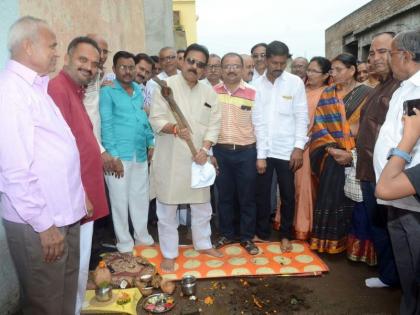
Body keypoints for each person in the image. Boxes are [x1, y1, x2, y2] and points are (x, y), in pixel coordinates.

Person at [0, 16, 87, 315]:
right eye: (51, 46)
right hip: (40, 224)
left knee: (62, 299)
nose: (55, 53)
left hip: (62, 215)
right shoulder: (11, 91)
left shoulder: (36, 87)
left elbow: (53, 152)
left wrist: (78, 197)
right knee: (46, 304)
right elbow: (14, 172)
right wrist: (44, 225)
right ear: (27, 46)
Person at [48, 36, 109, 315]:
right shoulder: (57, 90)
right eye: (83, 60)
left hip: (83, 194)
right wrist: (81, 193)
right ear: (67, 58)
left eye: (94, 63)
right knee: (73, 266)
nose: (89, 67)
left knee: (81, 263)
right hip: (75, 197)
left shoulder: (75, 90)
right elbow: (56, 153)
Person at [149, 43, 222, 272]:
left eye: (200, 65)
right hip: (171, 160)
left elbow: (214, 123)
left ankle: (203, 244)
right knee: (167, 210)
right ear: (182, 61)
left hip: (197, 158)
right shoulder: (165, 87)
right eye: (191, 61)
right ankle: (170, 253)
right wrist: (172, 128)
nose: (195, 67)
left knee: (202, 207)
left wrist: (206, 148)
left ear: (204, 69)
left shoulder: (209, 92)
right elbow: (156, 118)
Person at [373, 30, 420, 315]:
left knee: (417, 265)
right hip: (391, 193)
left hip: (411, 193)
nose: (388, 60)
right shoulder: (402, 87)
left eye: (389, 54)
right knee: (406, 266)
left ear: (405, 55)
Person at [310, 53, 371, 254]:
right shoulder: (328, 93)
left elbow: (369, 128)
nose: (333, 74)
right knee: (328, 198)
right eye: (332, 70)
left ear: (352, 70)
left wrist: (350, 150)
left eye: (338, 70)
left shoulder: (367, 93)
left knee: (354, 203)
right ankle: (328, 244)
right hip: (330, 156)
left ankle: (352, 247)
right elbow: (319, 124)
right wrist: (330, 148)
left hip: (355, 156)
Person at [253, 41, 308, 252]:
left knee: (287, 194)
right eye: (274, 62)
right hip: (263, 150)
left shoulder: (295, 83)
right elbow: (256, 121)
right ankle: (262, 233)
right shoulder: (254, 85)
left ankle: (286, 234)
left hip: (287, 151)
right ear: (266, 59)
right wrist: (260, 153)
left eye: (282, 63)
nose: (278, 66)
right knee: (262, 194)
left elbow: (302, 116)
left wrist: (298, 147)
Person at [356, 32, 400, 288]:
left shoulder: (404, 86)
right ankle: (389, 276)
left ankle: (399, 281)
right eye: (372, 53)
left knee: (395, 229)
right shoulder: (380, 86)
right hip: (369, 170)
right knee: (380, 226)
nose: (375, 58)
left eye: (382, 51)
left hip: (388, 173)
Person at [100, 51, 155, 253]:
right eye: (122, 67)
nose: (127, 70)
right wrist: (113, 156)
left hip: (139, 152)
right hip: (118, 156)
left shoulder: (138, 91)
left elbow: (143, 119)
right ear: (114, 70)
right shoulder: (107, 91)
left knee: (140, 197)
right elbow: (106, 124)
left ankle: (142, 236)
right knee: (119, 200)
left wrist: (150, 142)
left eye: (131, 67)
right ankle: (124, 242)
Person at [212, 53, 259, 255]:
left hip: (246, 152)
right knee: (225, 196)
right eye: (227, 66)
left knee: (247, 197)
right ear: (221, 70)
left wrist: (262, 155)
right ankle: (226, 234)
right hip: (220, 152)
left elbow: (260, 125)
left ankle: (247, 237)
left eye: (235, 66)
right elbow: (206, 123)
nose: (231, 70)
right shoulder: (211, 93)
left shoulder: (253, 92)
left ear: (243, 68)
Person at [294, 56, 331, 240]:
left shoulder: (328, 93)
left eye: (314, 71)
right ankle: (290, 222)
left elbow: (326, 123)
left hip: (311, 146)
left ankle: (305, 226)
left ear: (325, 75)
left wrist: (306, 140)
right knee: (291, 186)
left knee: (305, 186)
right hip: (293, 144)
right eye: (308, 70)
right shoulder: (300, 88)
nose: (309, 74)